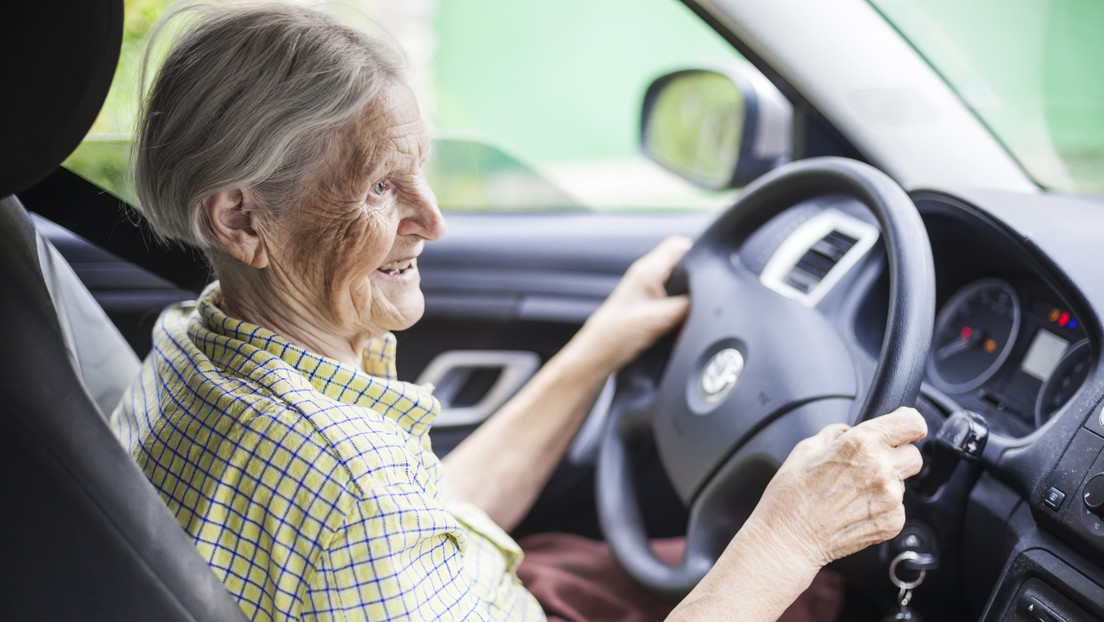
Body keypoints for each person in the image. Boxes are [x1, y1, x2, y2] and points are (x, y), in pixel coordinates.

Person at [110, 2, 927, 621]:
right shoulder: (340, 478)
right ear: (243, 221)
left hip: (488, 586)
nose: (433, 220)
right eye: (379, 186)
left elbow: (421, 520)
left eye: (419, 169)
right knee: (816, 591)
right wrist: (790, 536)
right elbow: (364, 513)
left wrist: (595, 351)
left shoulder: (198, 343)